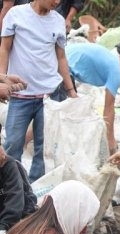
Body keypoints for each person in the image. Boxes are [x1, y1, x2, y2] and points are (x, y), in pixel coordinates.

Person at [0, 0, 77, 182]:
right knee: (12, 145)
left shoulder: (58, 20)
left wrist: (71, 91)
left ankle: (35, 190)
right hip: (20, 94)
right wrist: (2, 78)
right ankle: (11, 188)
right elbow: (4, 47)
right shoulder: (16, 14)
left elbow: (61, 56)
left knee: (44, 149)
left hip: (49, 96)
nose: (57, 1)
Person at [64, 43, 120, 154]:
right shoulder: (117, 72)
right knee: (56, 114)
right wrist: (111, 141)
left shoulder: (110, 58)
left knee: (66, 111)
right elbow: (109, 107)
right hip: (63, 67)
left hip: (61, 59)